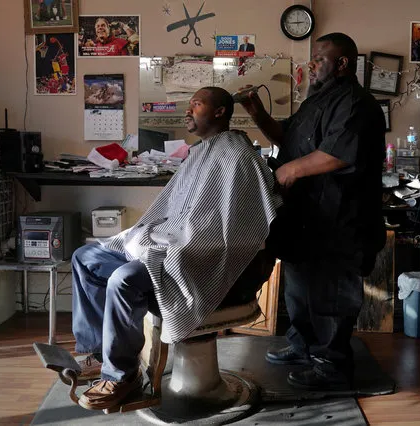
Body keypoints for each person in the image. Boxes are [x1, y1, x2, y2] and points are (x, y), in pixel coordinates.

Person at [71, 86, 282, 410]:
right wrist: (151, 236)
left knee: (123, 279)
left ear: (219, 112)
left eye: (196, 104)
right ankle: (98, 353)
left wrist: (182, 243)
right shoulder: (199, 152)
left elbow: (235, 229)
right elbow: (175, 212)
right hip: (171, 241)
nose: (188, 110)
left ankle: (121, 375)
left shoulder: (238, 154)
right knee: (84, 257)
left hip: (197, 256)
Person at [238, 32, 386, 390]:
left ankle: (332, 365)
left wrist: (288, 171)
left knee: (331, 296)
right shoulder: (315, 101)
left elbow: (337, 153)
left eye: (319, 59)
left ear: (343, 64)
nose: (312, 64)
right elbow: (285, 138)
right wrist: (257, 113)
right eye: (312, 58)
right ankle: (303, 347)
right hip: (306, 218)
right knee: (300, 290)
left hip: (340, 221)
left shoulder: (357, 104)